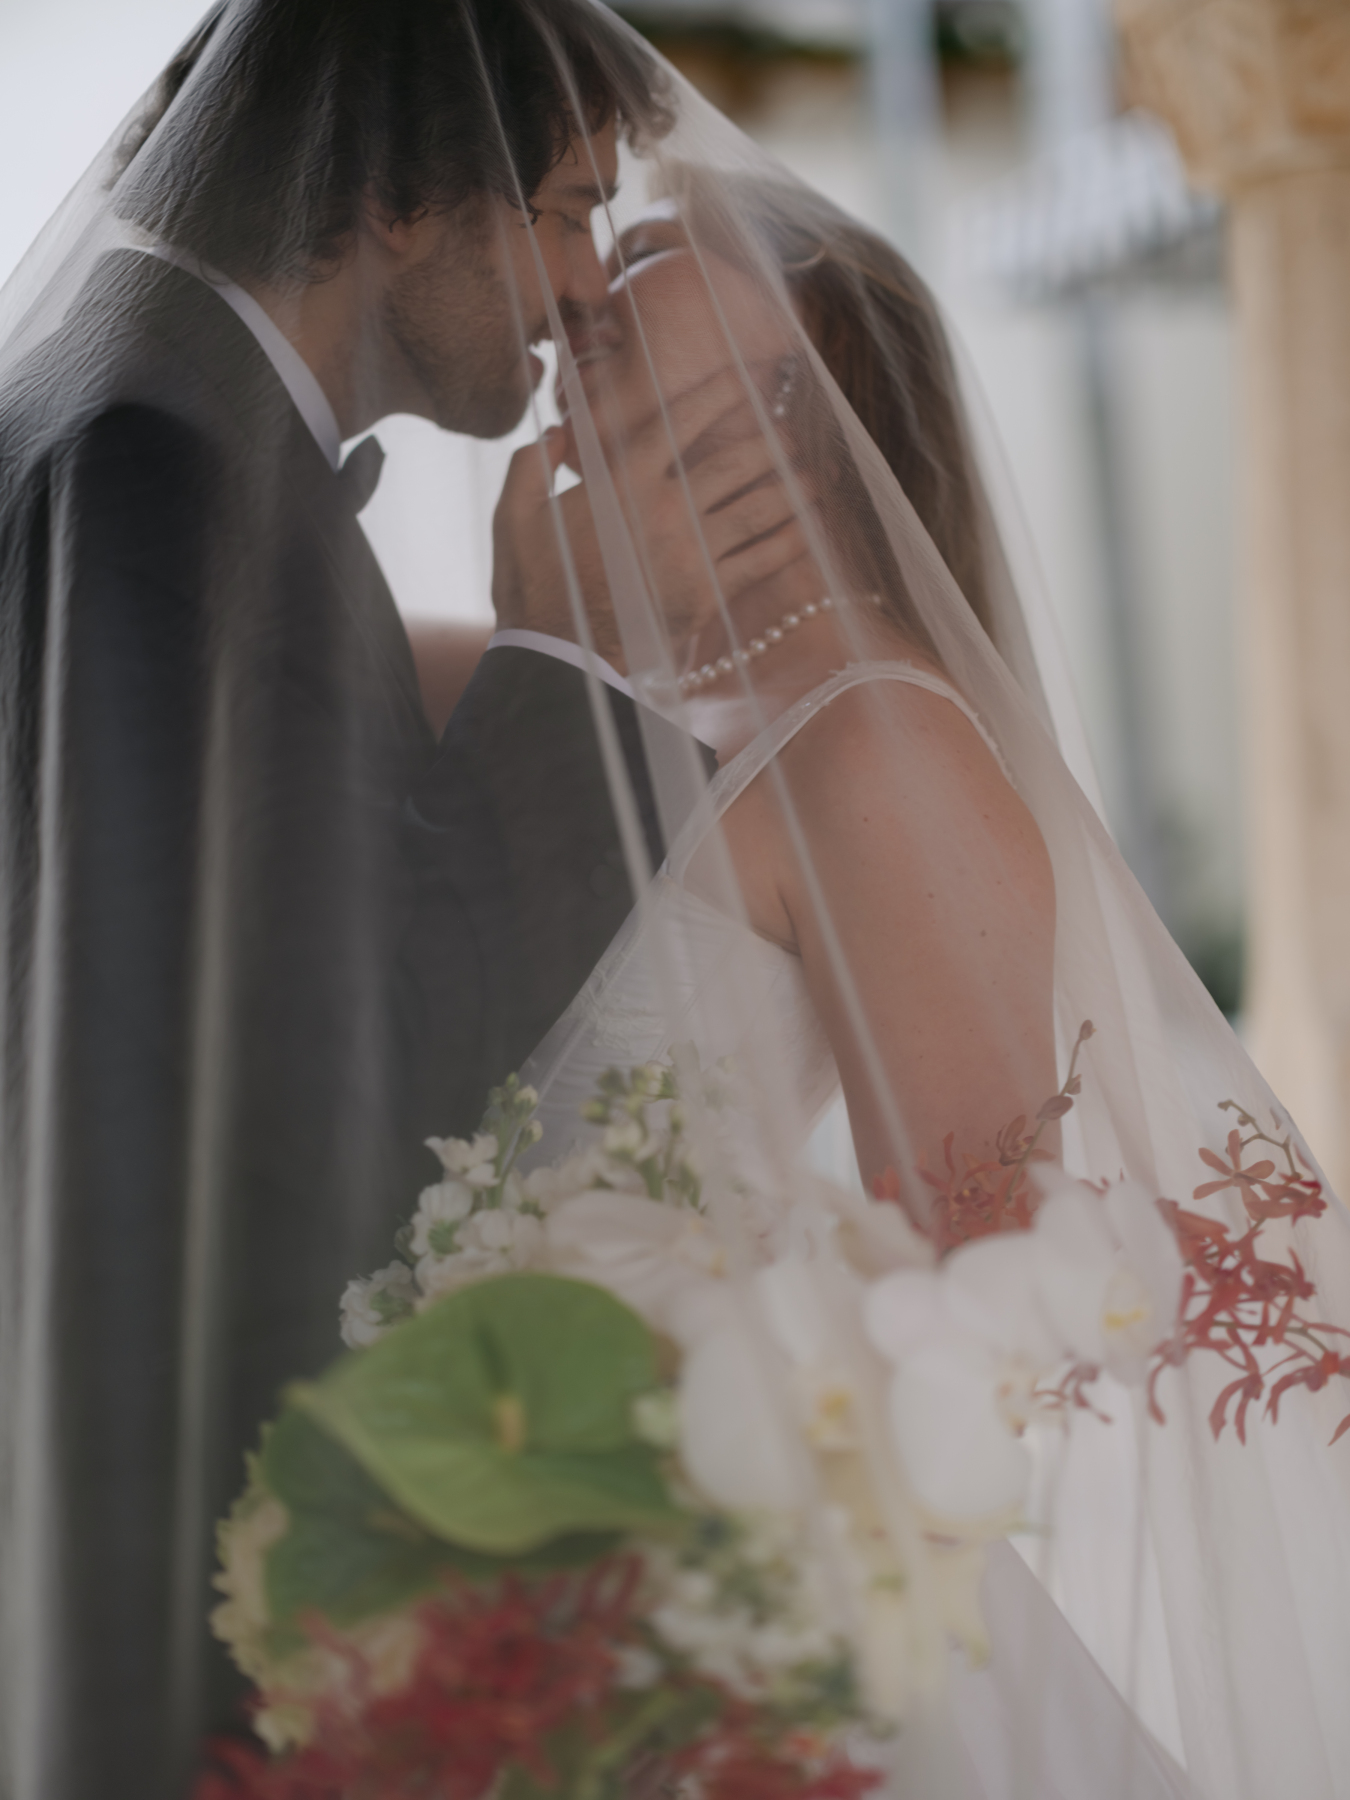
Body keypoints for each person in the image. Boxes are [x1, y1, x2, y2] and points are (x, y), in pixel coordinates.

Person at [0, 4, 815, 1796]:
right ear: (392, 193)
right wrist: (563, 667)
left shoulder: (162, 423)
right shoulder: (158, 472)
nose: (588, 287)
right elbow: (320, 1104)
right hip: (170, 1611)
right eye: (568, 206)